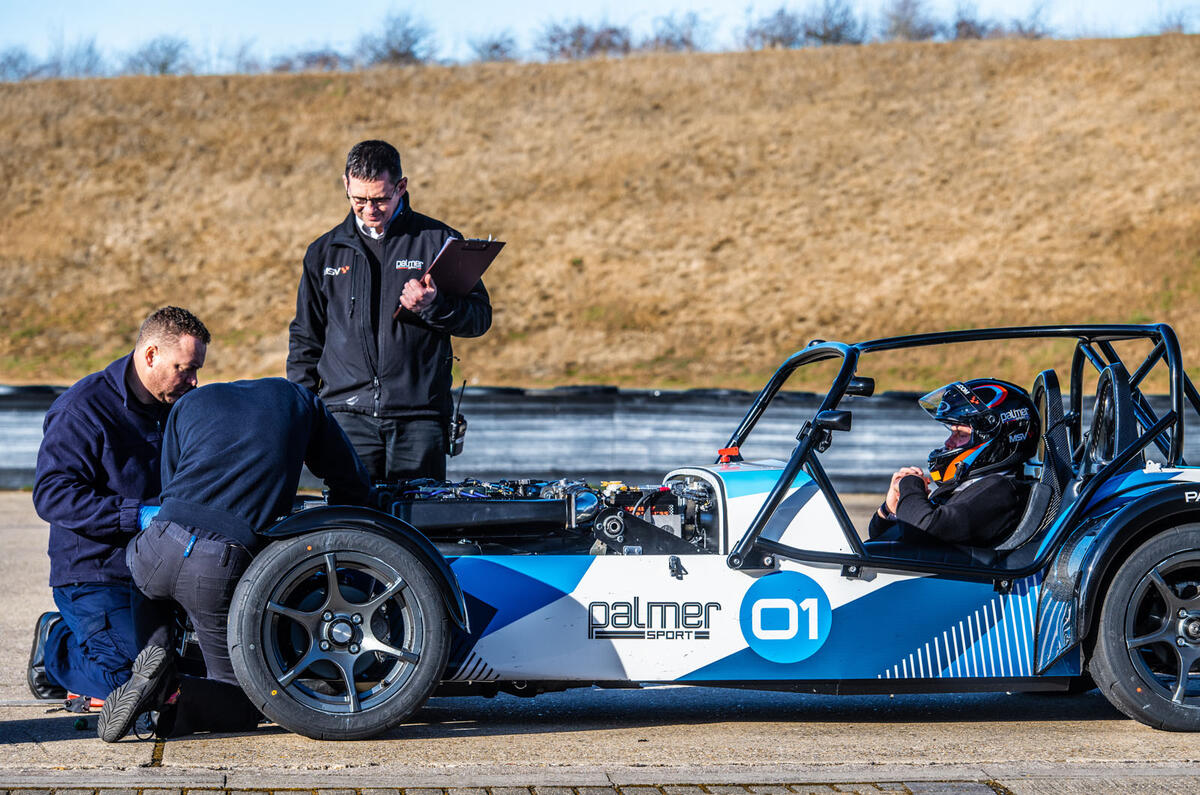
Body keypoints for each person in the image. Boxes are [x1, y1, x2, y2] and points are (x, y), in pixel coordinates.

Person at [98, 377, 371, 742]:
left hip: (155, 545)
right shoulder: (302, 402)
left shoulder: (192, 401)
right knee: (243, 701)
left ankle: (154, 656)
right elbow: (347, 477)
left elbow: (169, 485)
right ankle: (169, 691)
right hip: (216, 561)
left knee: (146, 578)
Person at [30, 307, 209, 703]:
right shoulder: (82, 409)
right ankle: (56, 645)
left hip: (160, 568)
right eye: (184, 369)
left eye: (197, 370)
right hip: (96, 573)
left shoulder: (178, 406)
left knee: (207, 671)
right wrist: (137, 516)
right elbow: (52, 494)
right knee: (137, 682)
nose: (194, 381)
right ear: (151, 355)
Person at [288, 139, 492, 483]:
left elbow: (479, 319)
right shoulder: (323, 252)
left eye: (380, 199)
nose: (370, 209)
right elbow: (306, 338)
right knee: (352, 516)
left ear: (401, 187)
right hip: (345, 417)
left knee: (418, 516)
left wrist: (434, 306)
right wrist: (300, 414)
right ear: (346, 185)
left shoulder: (438, 241)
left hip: (420, 418)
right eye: (359, 199)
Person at [868, 378, 1038, 547]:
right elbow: (881, 539)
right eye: (952, 433)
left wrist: (910, 485)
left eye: (961, 435)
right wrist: (890, 511)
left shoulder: (1001, 491)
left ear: (996, 437)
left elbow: (924, 531)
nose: (948, 442)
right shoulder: (967, 485)